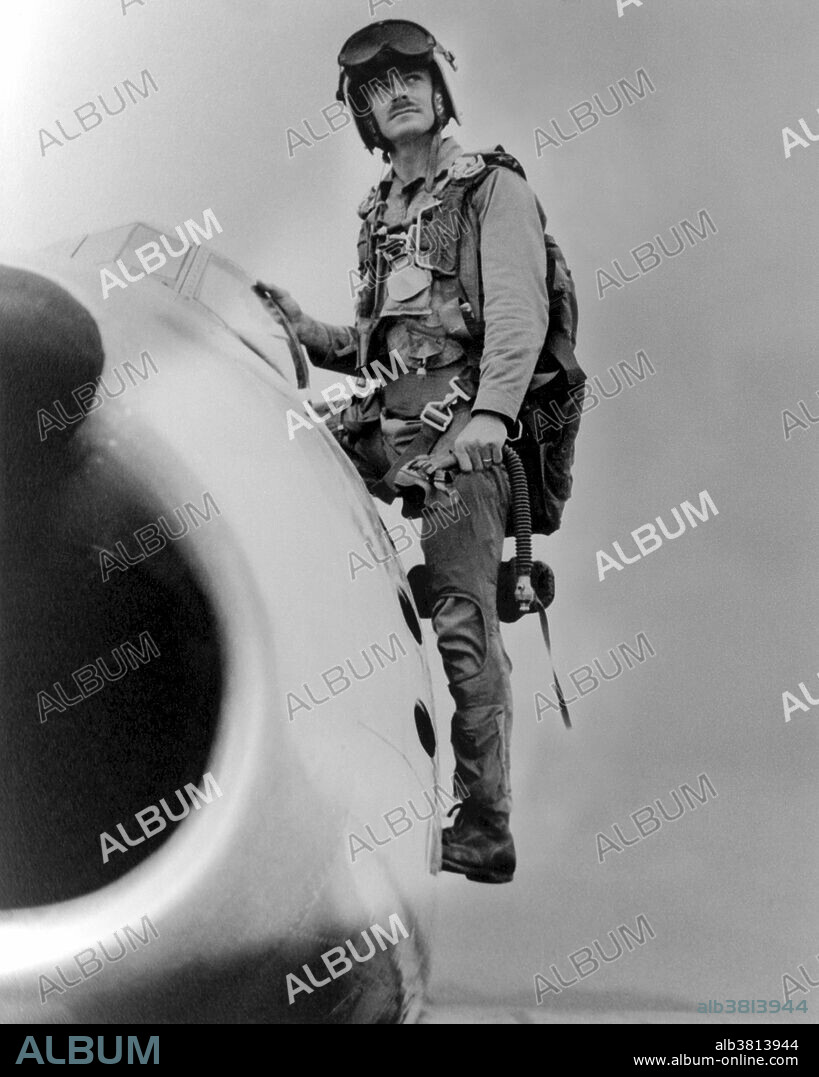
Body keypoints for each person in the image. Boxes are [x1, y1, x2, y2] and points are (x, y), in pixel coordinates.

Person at [257, 19, 577, 884]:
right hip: (384, 427)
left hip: (458, 443)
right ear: (362, 112)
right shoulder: (380, 212)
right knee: (258, 482)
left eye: (410, 77)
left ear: (438, 94)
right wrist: (301, 328)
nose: (394, 92)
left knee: (463, 630)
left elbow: (518, 318)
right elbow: (374, 346)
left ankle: (485, 823)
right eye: (375, 86)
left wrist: (490, 420)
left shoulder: (490, 191)